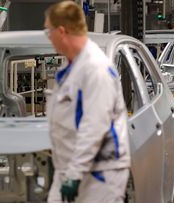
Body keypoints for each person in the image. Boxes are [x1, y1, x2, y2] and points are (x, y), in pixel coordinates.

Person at [44, 1, 130, 202]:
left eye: (49, 32)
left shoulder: (95, 69)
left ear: (62, 31)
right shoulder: (72, 68)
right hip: (71, 168)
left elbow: (94, 126)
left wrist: (74, 175)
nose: (49, 39)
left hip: (99, 172)